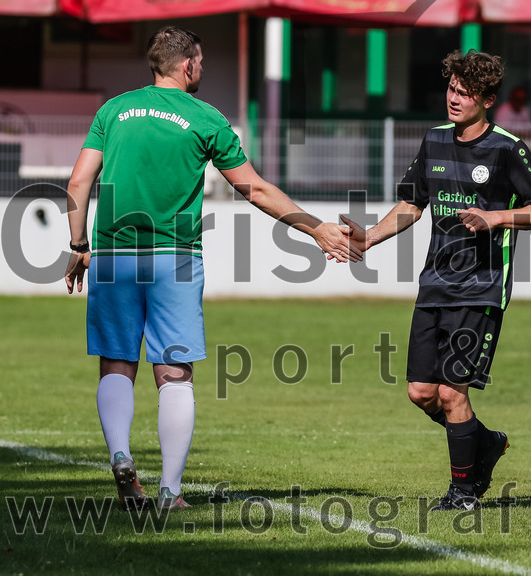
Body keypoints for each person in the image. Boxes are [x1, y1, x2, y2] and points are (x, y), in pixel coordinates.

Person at [64, 26, 357, 511]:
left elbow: (79, 181)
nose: (203, 68)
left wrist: (78, 244)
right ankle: (169, 491)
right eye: (200, 61)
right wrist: (316, 228)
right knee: (173, 374)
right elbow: (256, 189)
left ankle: (121, 456)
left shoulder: (113, 110)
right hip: (174, 260)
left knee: (117, 364)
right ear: (187, 66)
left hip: (113, 256)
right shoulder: (206, 118)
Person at [341, 51, 531, 511]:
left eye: (465, 93)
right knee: (420, 393)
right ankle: (485, 443)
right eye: (452, 88)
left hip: (481, 288)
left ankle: (463, 494)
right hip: (434, 286)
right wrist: (369, 238)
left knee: (449, 391)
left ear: (487, 100)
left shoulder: (507, 148)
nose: (454, 99)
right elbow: (411, 205)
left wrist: (496, 217)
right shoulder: (434, 140)